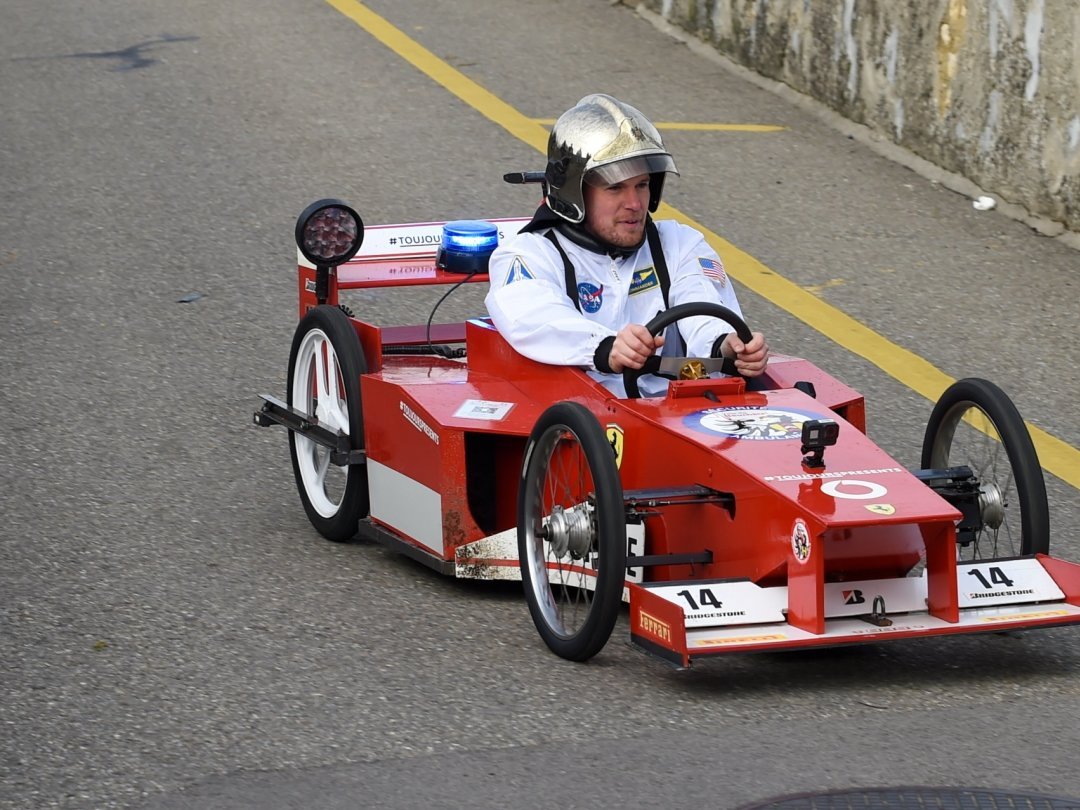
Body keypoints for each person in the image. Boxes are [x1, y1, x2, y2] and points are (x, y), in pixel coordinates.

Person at [485, 93, 769, 397]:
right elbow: (537, 318)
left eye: (642, 185)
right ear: (574, 192)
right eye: (615, 188)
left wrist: (727, 346)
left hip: (677, 413)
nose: (634, 203)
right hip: (583, 418)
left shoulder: (679, 243)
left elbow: (701, 305)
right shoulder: (528, 254)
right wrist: (607, 347)